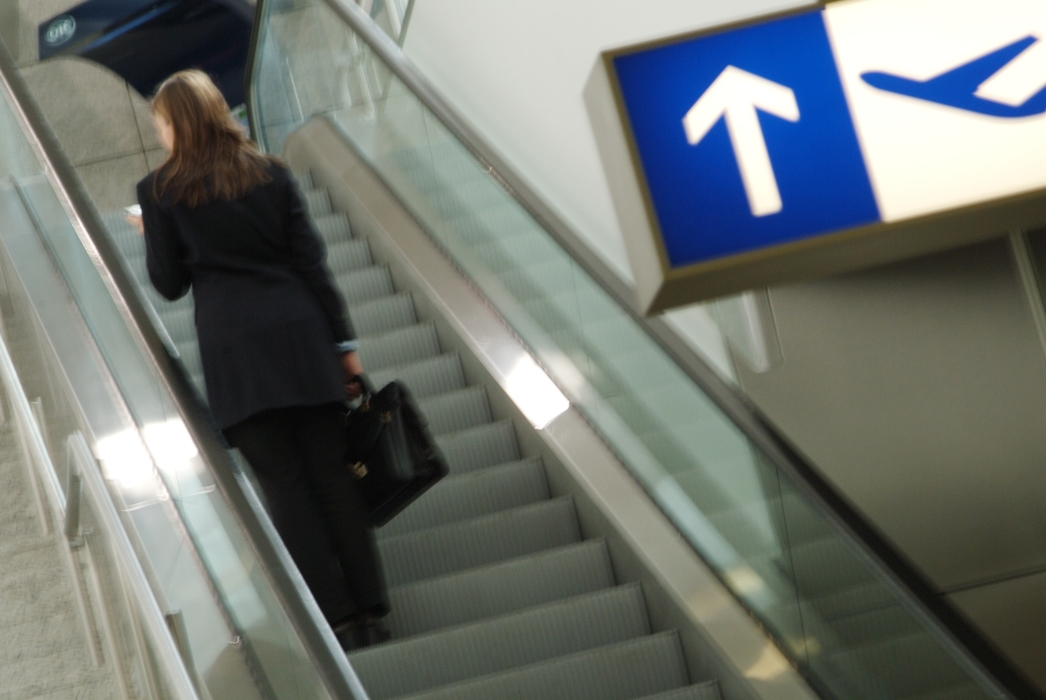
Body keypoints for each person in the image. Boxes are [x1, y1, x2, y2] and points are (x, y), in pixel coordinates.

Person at [131, 69, 389, 649]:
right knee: (333, 478)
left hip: (238, 358)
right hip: (303, 343)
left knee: (287, 488)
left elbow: (169, 283)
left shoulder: (160, 192)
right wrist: (343, 348)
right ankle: (373, 608)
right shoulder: (270, 173)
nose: (162, 138)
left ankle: (338, 623)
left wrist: (153, 229)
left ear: (175, 124)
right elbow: (312, 264)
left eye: (162, 127)